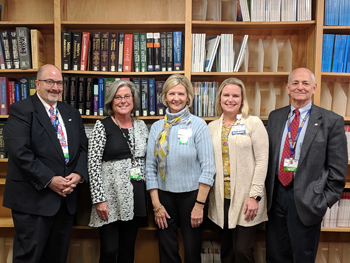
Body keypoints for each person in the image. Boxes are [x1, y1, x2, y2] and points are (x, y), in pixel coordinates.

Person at [3, 64, 88, 262]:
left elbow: (84, 148)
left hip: (65, 202)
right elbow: (20, 153)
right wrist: (50, 179)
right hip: (33, 201)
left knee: (57, 257)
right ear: (38, 83)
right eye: (50, 82)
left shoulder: (71, 113)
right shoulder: (21, 110)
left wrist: (79, 174)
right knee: (29, 258)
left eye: (59, 83)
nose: (55, 87)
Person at [265, 68, 348, 262]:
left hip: (307, 200)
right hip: (276, 196)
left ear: (314, 88)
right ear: (287, 88)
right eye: (295, 83)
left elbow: (337, 170)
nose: (299, 87)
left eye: (305, 83)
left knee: (303, 256)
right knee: (275, 255)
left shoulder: (331, 121)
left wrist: (322, 201)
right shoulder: (275, 117)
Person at [146, 74, 215, 263]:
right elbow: (150, 168)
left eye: (181, 94)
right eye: (172, 93)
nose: (176, 98)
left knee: (192, 251)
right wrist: (156, 205)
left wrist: (199, 205)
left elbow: (208, 168)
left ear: (188, 97)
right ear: (165, 96)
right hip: (163, 197)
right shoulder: (157, 127)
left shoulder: (198, 125)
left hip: (192, 197)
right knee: (166, 250)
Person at [207, 77, 269, 263]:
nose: (230, 99)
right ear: (219, 98)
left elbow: (262, 161)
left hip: (247, 198)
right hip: (220, 199)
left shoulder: (253, 123)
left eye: (235, 95)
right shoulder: (212, 127)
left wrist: (255, 196)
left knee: (242, 250)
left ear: (242, 99)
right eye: (226, 95)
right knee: (226, 251)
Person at [88, 80, 148, 263]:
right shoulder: (102, 126)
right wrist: (99, 199)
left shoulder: (141, 126)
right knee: (109, 249)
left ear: (133, 100)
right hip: (110, 196)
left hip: (135, 194)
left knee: (127, 248)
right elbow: (92, 164)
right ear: (111, 101)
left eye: (127, 96)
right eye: (118, 97)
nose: (123, 101)